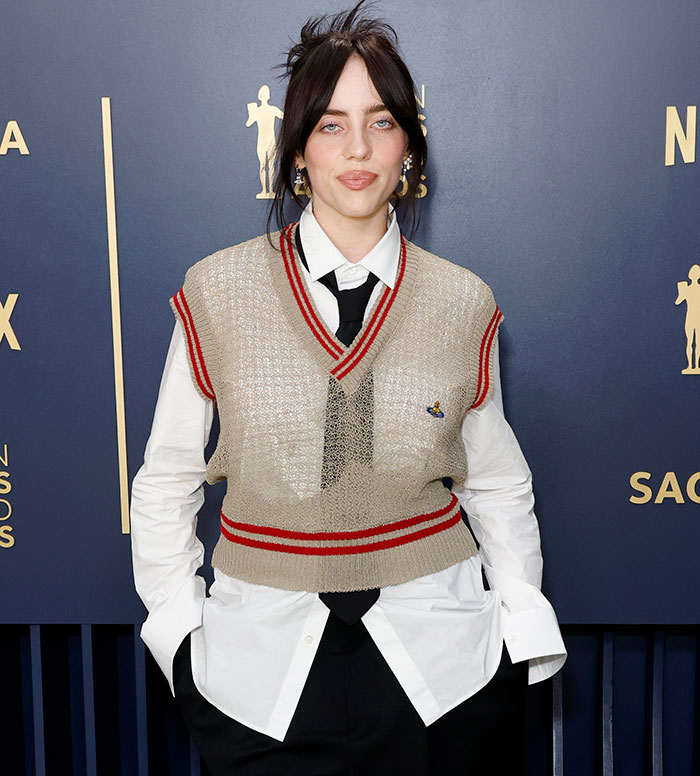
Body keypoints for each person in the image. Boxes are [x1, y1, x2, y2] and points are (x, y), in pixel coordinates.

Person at [131, 3, 566, 774]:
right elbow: (167, 479)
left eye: (381, 122)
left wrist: (517, 630)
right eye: (331, 125)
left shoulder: (462, 301)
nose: (358, 148)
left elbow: (497, 482)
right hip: (257, 679)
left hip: (444, 676)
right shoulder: (216, 291)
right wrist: (179, 636)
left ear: (409, 145)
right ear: (296, 149)